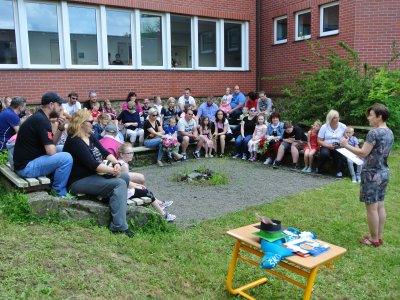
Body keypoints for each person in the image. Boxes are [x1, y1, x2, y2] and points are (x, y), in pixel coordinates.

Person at [63, 110, 134, 237]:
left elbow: (105, 152)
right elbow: (93, 165)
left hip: (92, 176)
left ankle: (110, 202)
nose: (93, 123)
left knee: (124, 176)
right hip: (78, 181)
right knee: (119, 183)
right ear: (81, 123)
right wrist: (112, 170)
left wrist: (116, 164)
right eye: (91, 121)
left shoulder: (89, 136)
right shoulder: (74, 140)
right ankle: (118, 226)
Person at [340, 103, 393, 247]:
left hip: (372, 174)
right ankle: (378, 236)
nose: (369, 118)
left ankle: (373, 239)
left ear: (379, 116)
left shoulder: (374, 133)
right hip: (384, 172)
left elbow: (363, 153)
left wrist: (346, 145)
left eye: (371, 115)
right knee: (380, 205)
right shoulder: (389, 132)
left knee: (371, 208)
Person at [13, 92, 73, 197]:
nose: (61, 108)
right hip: (26, 167)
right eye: (59, 105)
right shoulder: (41, 121)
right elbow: (51, 151)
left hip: (29, 160)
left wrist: (60, 128)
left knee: (63, 148)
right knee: (66, 157)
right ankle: (59, 193)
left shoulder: (41, 117)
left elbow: (52, 144)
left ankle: (55, 181)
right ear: (51, 105)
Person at [117, 142, 176, 221]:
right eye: (129, 153)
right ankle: (163, 215)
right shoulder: (123, 165)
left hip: (124, 190)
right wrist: (136, 186)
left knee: (145, 190)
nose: (132, 155)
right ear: (121, 154)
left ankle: (161, 206)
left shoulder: (120, 162)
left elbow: (126, 180)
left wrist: (136, 185)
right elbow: (125, 182)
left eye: (132, 153)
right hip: (125, 192)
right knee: (147, 193)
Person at [317, 110, 346, 178]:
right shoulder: (324, 127)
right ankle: (319, 169)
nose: (337, 119)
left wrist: (343, 140)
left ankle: (339, 171)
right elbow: (319, 140)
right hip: (326, 145)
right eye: (335, 118)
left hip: (338, 145)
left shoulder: (343, 126)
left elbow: (346, 137)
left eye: (338, 117)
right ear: (331, 118)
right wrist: (327, 145)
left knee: (339, 153)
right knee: (324, 154)